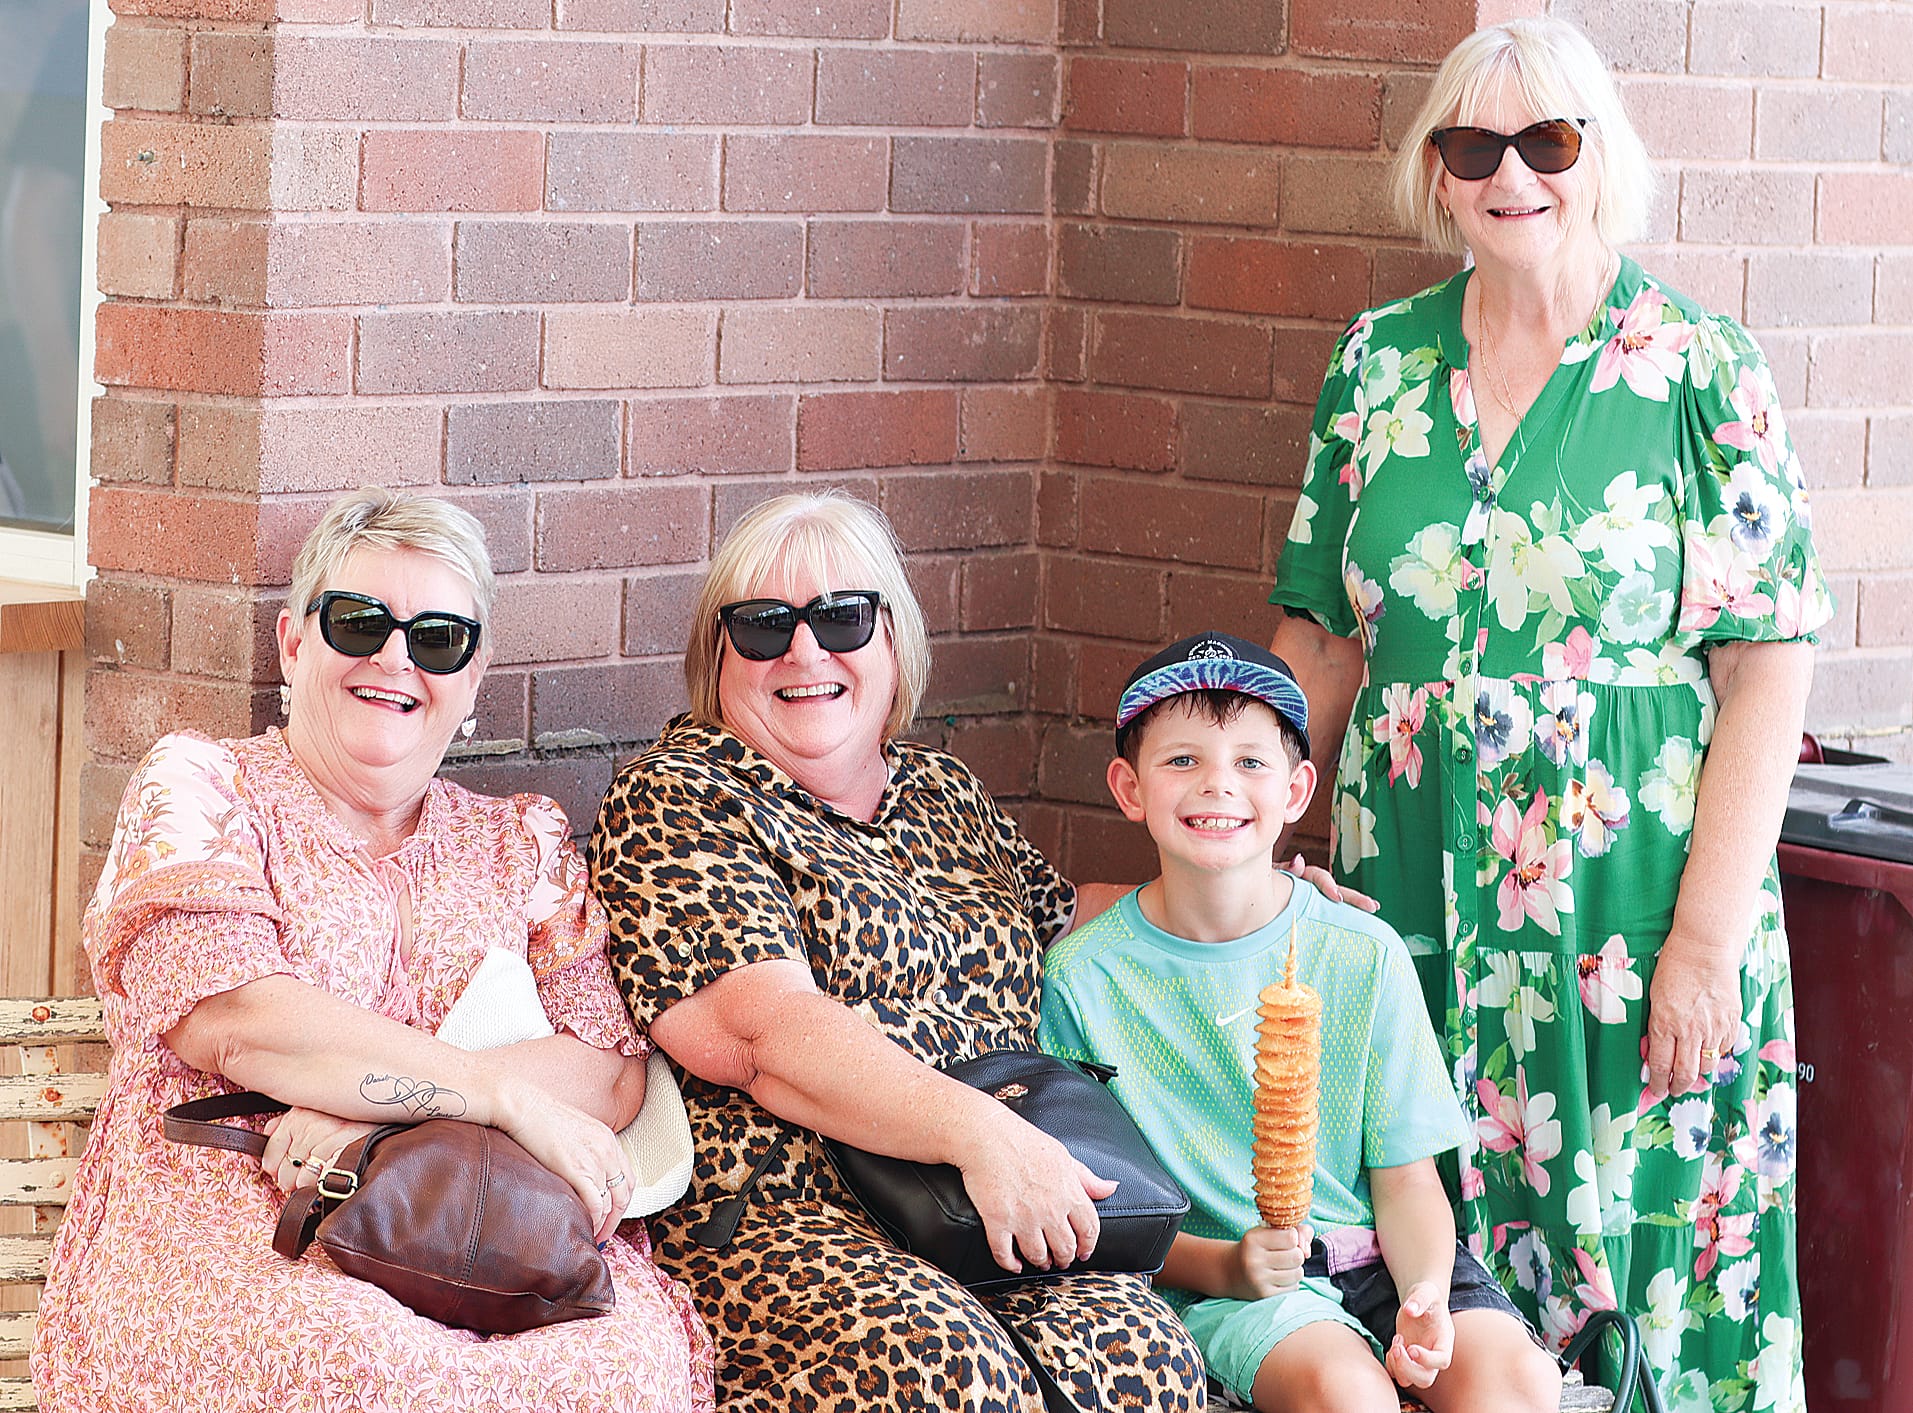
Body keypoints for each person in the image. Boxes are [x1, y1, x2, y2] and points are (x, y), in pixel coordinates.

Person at [1266, 16, 1832, 1410]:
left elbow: (1768, 660)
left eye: (1547, 142)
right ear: (1439, 175)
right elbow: (1318, 635)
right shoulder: (1377, 363)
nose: (1511, 173)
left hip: (1631, 911)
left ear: (1599, 156)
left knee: (1651, 1271)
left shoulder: (1701, 365)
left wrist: (1703, 939)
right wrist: (1267, 856)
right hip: (1414, 887)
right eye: (1475, 146)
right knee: (1431, 1264)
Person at [32, 488, 713, 1412]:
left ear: (471, 682)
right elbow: (235, 1020)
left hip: (489, 1238)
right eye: (359, 622)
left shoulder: (522, 842)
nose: (395, 657)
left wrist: (388, 1124)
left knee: (622, 1371)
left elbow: (605, 1069)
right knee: (375, 1377)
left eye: (437, 639)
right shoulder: (203, 785)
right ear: (292, 643)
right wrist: (498, 1092)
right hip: (248, 1222)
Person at [588, 490, 1209, 1413]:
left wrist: (1247, 886)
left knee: (1139, 1354)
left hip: (981, 1198)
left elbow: (1066, 915)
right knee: (945, 1372)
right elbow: (760, 1034)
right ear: (717, 657)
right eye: (762, 627)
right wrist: (986, 1134)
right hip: (788, 1212)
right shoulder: (679, 796)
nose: (804, 652)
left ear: (893, 641)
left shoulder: (939, 790)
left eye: (841, 617)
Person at [1038, 632, 1561, 1413]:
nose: (1218, 786)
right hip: (1228, 1277)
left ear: (1295, 789)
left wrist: (1422, 1292)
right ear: (1128, 786)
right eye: (1182, 760)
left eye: (1250, 761)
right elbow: (1105, 1211)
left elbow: (1407, 1179)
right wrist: (1225, 1267)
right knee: (1345, 1393)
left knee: (1514, 1382)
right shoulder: (1086, 979)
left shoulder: (1360, 954)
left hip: (1386, 1252)